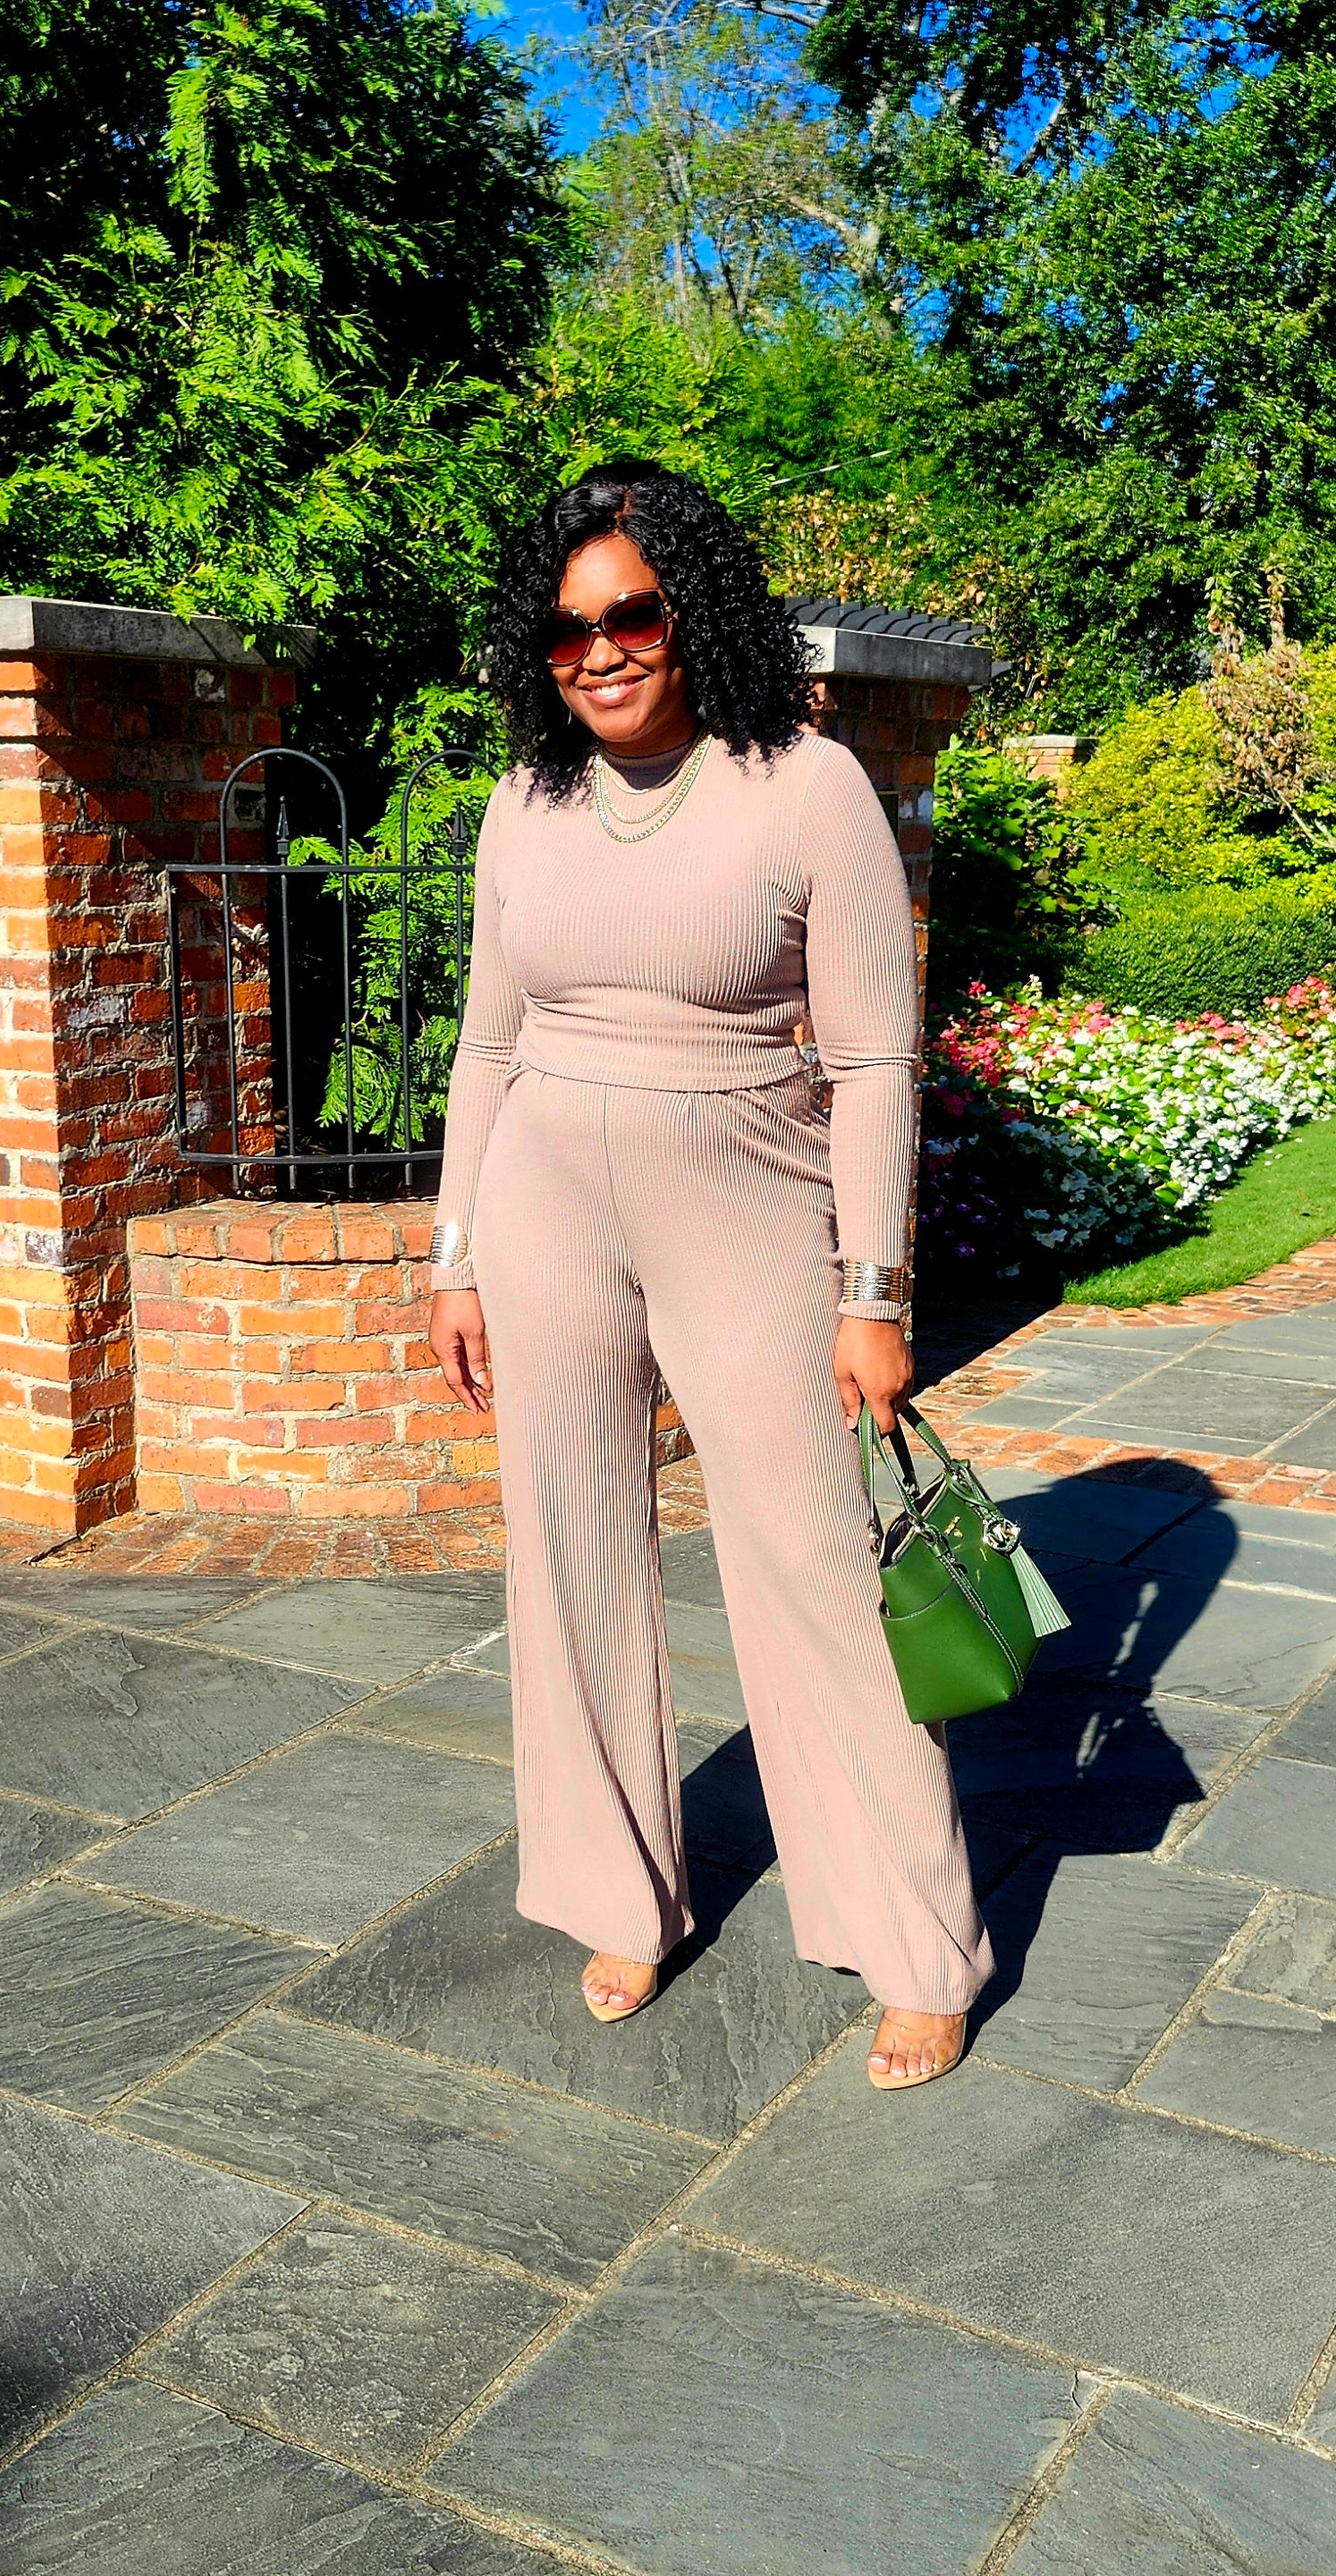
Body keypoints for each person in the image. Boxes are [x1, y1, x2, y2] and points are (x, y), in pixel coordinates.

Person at [427, 458, 993, 2089]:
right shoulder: (525, 800)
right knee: (570, 1543)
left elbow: (877, 1058)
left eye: (630, 613)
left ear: (694, 608)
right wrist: (456, 1249)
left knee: (816, 1564)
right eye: (564, 629)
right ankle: (622, 1887)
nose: (598, 649)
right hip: (545, 1194)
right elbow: (486, 1035)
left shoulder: (803, 784)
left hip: (747, 1191)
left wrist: (873, 1294)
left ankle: (913, 1935)